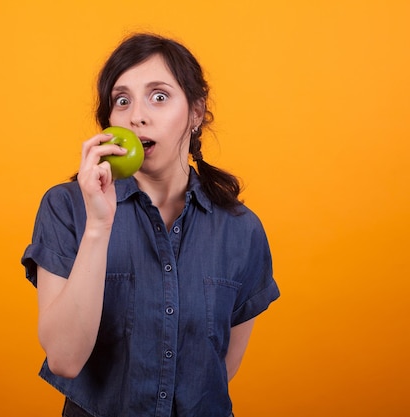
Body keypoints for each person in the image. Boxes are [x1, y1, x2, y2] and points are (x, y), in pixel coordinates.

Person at [21, 33, 280, 417]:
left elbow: (219, 368)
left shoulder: (241, 231)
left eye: (159, 96)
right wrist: (98, 226)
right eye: (122, 100)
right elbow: (64, 359)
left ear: (195, 113)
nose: (136, 115)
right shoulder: (67, 206)